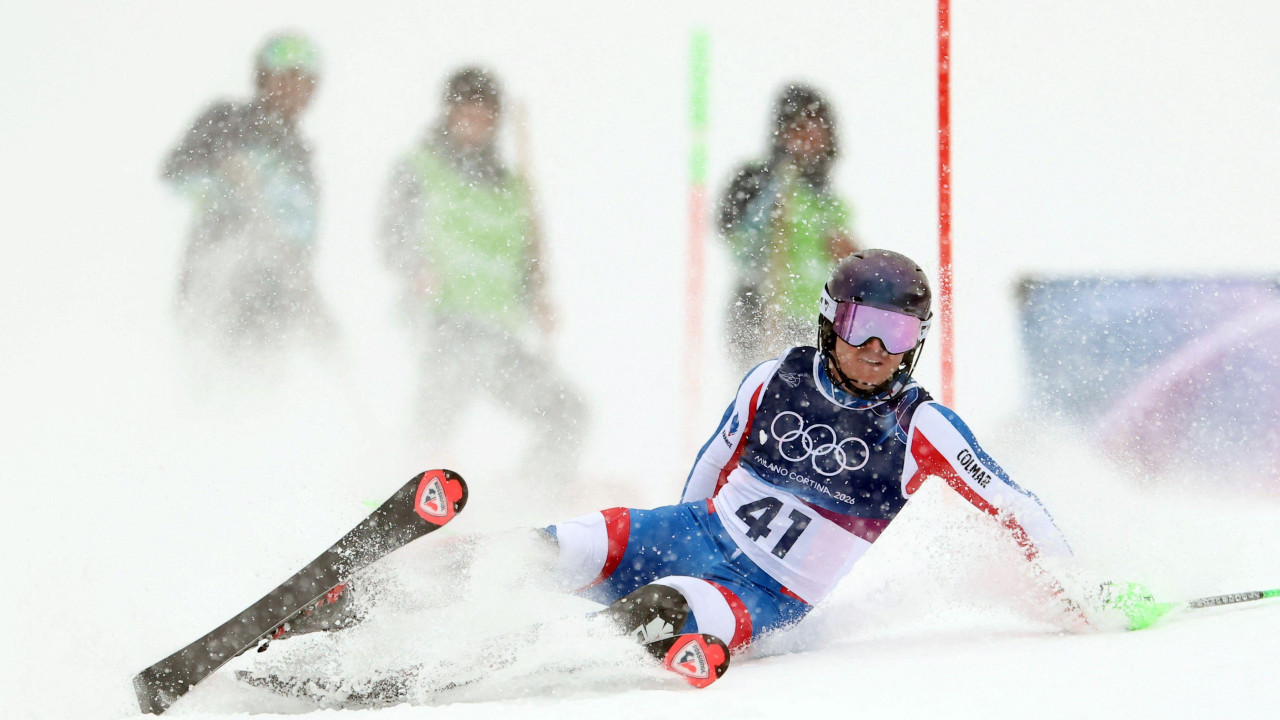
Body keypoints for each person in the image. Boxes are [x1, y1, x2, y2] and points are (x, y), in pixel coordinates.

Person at [277, 250, 1165, 691]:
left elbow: (1012, 503)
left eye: (894, 337)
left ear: (916, 343)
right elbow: (707, 473)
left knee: (657, 614)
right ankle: (366, 601)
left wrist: (1084, 588)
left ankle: (481, 656)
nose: (871, 351)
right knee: (552, 548)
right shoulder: (774, 377)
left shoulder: (920, 424)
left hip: (768, 593)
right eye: (860, 325)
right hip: (694, 530)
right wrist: (664, 540)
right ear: (830, 318)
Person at [380, 67, 586, 488]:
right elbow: (390, 234)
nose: (475, 124)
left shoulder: (514, 190)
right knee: (435, 417)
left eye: (485, 115)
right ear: (448, 113)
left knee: (567, 413)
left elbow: (525, 266)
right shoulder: (420, 168)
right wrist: (413, 264)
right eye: (466, 112)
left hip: (498, 333)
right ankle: (400, 494)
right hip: (441, 321)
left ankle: (524, 505)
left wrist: (537, 298)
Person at [163, 33, 331, 347]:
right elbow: (176, 175)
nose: (293, 90)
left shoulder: (301, 156)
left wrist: (307, 297)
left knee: (264, 387)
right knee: (213, 381)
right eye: (285, 78)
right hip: (217, 284)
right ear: (263, 78)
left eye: (304, 82)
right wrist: (222, 180)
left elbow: (301, 235)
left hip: (275, 300)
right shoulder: (227, 120)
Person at [719, 84, 860, 374]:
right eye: (799, 127)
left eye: (817, 127)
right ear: (782, 132)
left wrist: (851, 261)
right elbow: (736, 238)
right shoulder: (759, 179)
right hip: (762, 310)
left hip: (812, 319)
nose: (810, 137)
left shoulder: (829, 201)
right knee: (762, 391)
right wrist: (773, 198)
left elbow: (845, 257)